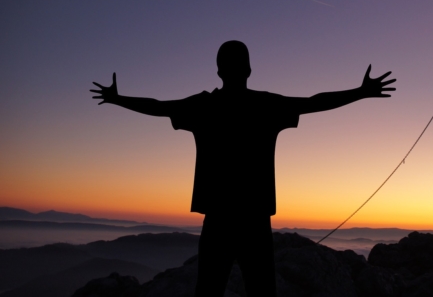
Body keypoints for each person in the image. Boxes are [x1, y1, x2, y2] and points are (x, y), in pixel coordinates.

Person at [90, 40, 395, 296]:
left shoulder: (204, 106)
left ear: (219, 71)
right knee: (261, 291)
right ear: (249, 70)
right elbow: (314, 102)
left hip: (218, 217)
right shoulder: (265, 105)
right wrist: (360, 92)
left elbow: (158, 106)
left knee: (208, 290)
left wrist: (117, 99)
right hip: (254, 217)